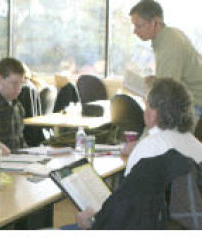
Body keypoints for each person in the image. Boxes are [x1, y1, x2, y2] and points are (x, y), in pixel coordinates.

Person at [70, 78, 202, 230]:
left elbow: (126, 211)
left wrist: (92, 222)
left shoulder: (149, 150)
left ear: (153, 113)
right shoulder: (197, 145)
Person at [130, 0, 202, 120]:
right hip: (189, 96)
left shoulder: (170, 43)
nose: (135, 31)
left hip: (195, 101)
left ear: (156, 22)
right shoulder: (169, 36)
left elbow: (167, 92)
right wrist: (155, 80)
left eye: (139, 26)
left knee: (156, 125)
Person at [124, 78, 202, 176]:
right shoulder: (197, 146)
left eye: (147, 105)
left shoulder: (149, 147)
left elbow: (130, 188)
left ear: (153, 113)